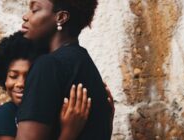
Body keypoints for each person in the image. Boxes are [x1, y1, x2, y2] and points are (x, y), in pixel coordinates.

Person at [0, 32, 113, 140]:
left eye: (29, 76)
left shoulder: (47, 116)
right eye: (13, 76)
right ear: (4, 79)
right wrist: (69, 133)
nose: (20, 84)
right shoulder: (2, 116)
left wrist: (105, 120)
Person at [17, 0, 113, 139]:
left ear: (61, 17)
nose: (26, 16)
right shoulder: (84, 63)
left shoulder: (48, 66)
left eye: (35, 9)